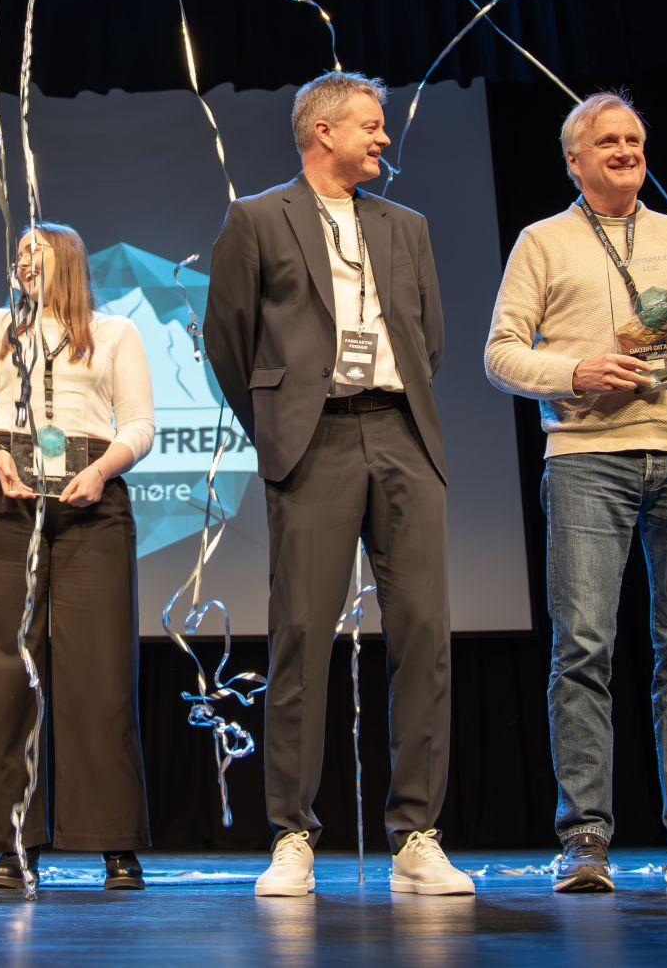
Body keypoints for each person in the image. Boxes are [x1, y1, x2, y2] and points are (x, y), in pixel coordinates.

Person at [484, 91, 667, 893]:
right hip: (587, 454)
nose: (624, 150)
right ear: (574, 159)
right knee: (584, 648)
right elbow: (499, 353)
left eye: (634, 138)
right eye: (606, 140)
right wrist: (575, 371)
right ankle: (584, 837)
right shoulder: (542, 241)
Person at [205, 71, 473, 898]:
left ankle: (418, 833)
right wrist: (282, 427)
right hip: (312, 441)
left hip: (401, 432)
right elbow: (228, 339)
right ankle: (292, 834)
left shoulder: (409, 227)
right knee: (300, 637)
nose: (383, 138)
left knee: (425, 631)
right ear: (322, 132)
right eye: (370, 126)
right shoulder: (257, 218)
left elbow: (427, 336)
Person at [0, 222, 156, 891]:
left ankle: (113, 840)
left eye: (36, 252)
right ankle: (13, 842)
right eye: (18, 254)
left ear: (68, 260)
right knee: (4, 674)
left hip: (93, 493)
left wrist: (103, 470)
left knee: (99, 674)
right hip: (4, 492)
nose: (23, 262)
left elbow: (141, 424)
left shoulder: (115, 330)